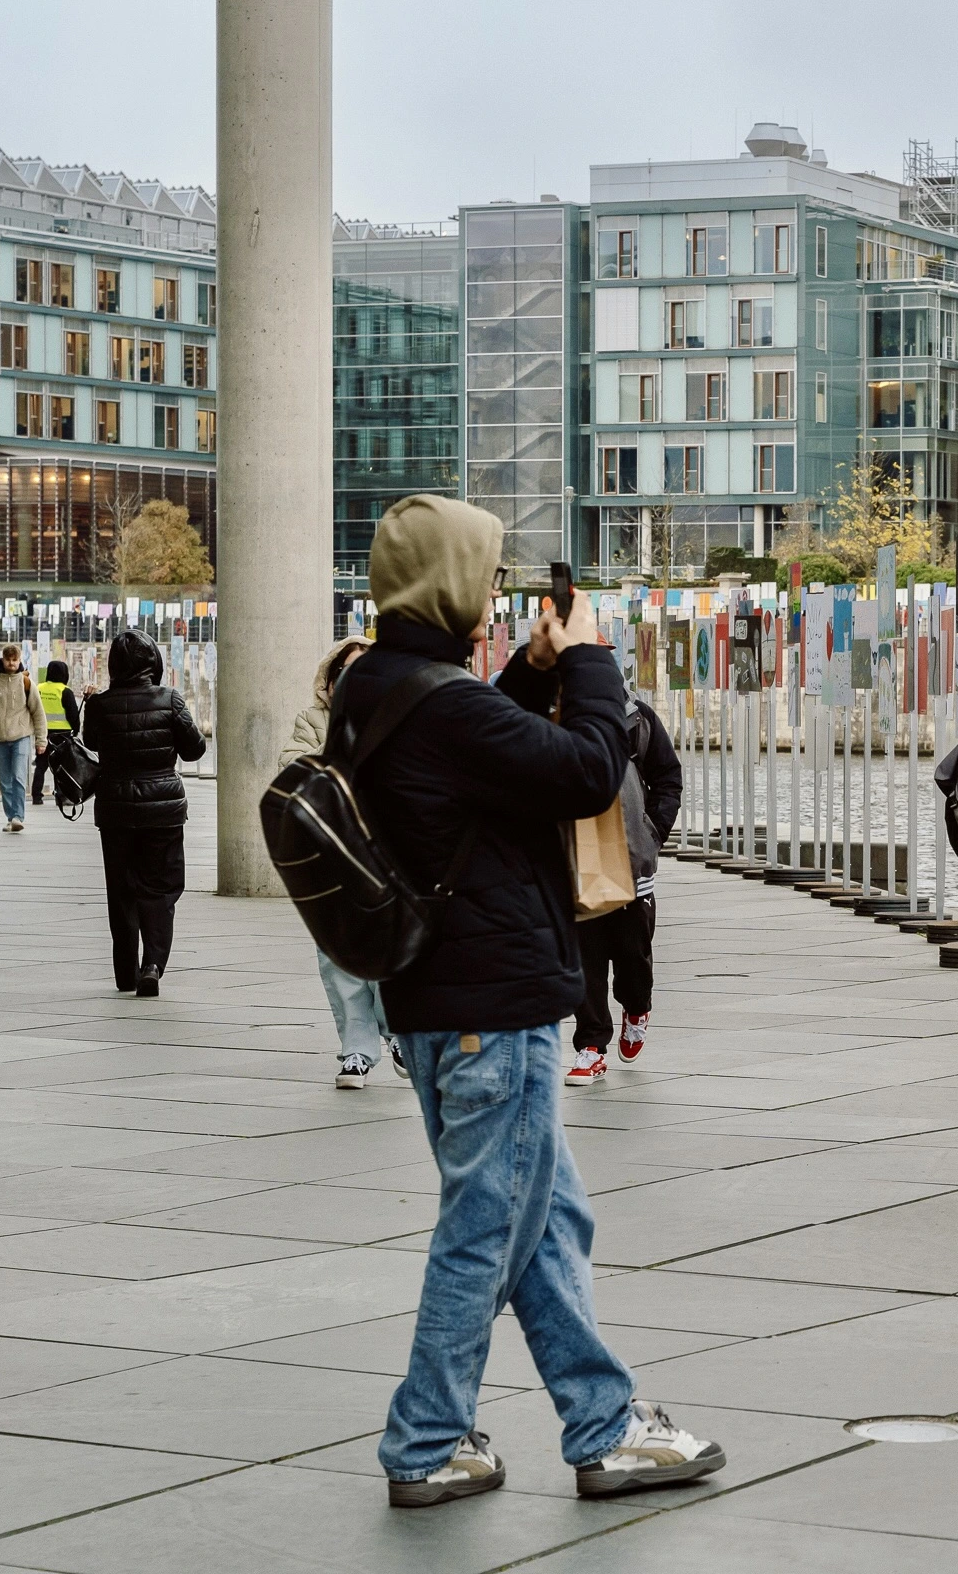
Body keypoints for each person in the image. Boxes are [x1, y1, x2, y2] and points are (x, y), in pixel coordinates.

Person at [334, 494, 724, 1509]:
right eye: (487, 574)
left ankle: (603, 1427)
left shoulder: (381, 681)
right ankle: (424, 1438)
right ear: (452, 582)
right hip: (490, 1008)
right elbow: (590, 768)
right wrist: (591, 662)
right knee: (489, 1227)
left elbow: (474, 748)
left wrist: (532, 671)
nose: (498, 592)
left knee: (547, 1223)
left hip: (437, 1001)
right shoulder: (438, 699)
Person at [284, 636, 403, 1088]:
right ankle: (356, 1051)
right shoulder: (312, 721)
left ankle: (398, 1035)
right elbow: (291, 763)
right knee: (340, 962)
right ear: (330, 684)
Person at [567, 692, 684, 1085]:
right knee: (586, 956)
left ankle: (637, 1007)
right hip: (577, 857)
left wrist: (653, 832)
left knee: (633, 951)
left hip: (631, 854)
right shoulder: (549, 714)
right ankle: (591, 1046)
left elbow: (668, 776)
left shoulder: (635, 715)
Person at [83, 631, 204, 997]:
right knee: (160, 887)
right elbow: (195, 749)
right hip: (162, 808)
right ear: (153, 662)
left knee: (120, 890)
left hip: (116, 807)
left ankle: (125, 972)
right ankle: (152, 964)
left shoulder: (100, 705)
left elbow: (91, 744)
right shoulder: (170, 700)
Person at [0, 645, 46, 832]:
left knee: (18, 777)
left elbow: (38, 713)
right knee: (5, 781)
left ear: (19, 661)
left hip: (21, 737)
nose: (11, 663)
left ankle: (18, 816)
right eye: (8, 659)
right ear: (3, 660)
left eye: (14, 660)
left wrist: (41, 740)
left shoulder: (27, 684)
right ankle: (10, 816)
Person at [28, 659, 82, 806]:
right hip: (62, 735)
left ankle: (36, 796)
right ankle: (61, 796)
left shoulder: (38, 688)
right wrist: (75, 731)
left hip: (42, 732)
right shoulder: (65, 691)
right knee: (61, 767)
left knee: (41, 765)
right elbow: (73, 715)